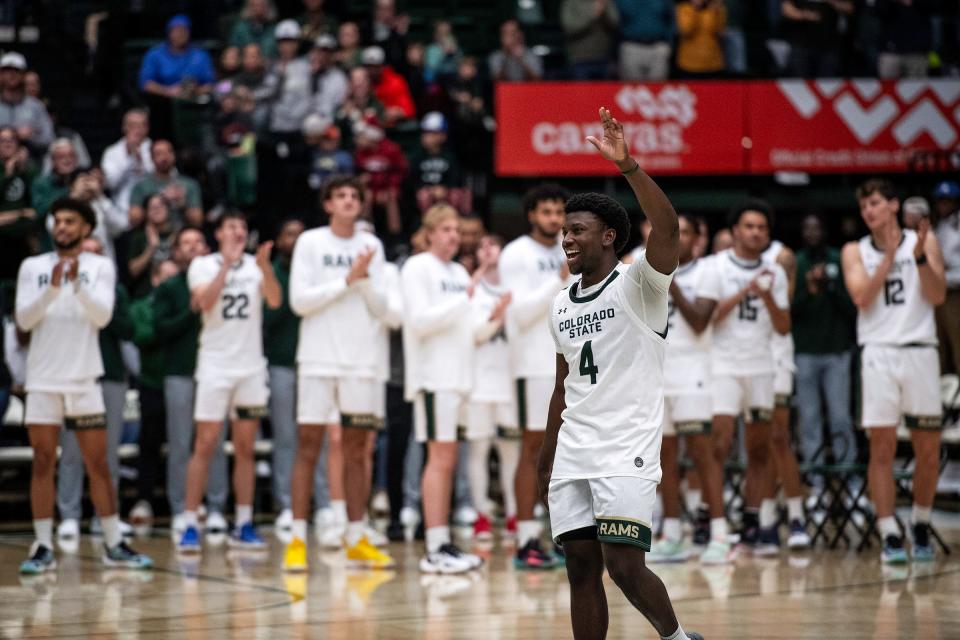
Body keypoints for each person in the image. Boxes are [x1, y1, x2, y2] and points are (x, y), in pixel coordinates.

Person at [537, 106, 702, 640]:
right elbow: (563, 385)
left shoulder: (640, 287)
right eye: (564, 231)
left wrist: (629, 166)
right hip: (575, 449)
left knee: (624, 567)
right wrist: (547, 452)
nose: (567, 239)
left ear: (609, 237)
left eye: (578, 230)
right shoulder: (561, 302)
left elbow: (670, 226)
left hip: (625, 448)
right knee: (580, 570)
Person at [15, 197, 152, 574]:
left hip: (84, 378)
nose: (61, 227)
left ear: (86, 228)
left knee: (99, 465)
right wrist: (52, 288)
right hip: (42, 379)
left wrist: (75, 284)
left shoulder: (101, 267)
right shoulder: (33, 267)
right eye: (57, 221)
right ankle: (42, 545)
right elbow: (24, 321)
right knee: (43, 462)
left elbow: (104, 315)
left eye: (70, 221)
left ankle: (112, 543)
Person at [285, 177, 395, 571]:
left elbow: (385, 309)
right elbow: (299, 302)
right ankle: (297, 538)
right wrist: (347, 279)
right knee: (309, 447)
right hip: (317, 359)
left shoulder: (373, 246)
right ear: (328, 204)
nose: (349, 201)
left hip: (361, 361)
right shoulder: (311, 242)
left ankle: (355, 535)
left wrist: (362, 281)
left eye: (355, 196)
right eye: (341, 196)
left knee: (356, 453)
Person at [842, 178, 946, 563]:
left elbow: (936, 296)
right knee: (881, 448)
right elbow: (861, 297)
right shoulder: (854, 250)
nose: (868, 210)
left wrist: (918, 255)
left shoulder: (925, 242)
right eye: (864, 205)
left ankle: (919, 523)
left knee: (928, 450)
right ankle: (888, 531)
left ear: (893, 205)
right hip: (879, 353)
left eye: (875, 203)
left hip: (920, 350)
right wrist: (888, 256)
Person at [177, 212, 281, 553]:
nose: (239, 231)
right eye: (232, 227)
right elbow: (204, 303)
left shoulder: (256, 265)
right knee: (205, 445)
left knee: (246, 448)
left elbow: (276, 301)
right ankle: (191, 521)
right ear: (219, 233)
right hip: (215, 365)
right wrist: (226, 266)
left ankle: (244, 522)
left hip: (250, 367)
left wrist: (265, 268)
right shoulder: (202, 265)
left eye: (243, 227)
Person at [693, 201, 791, 555]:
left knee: (760, 448)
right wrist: (745, 291)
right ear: (735, 231)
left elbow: (783, 327)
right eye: (749, 226)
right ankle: (713, 519)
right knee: (717, 446)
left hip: (762, 366)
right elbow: (708, 318)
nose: (755, 233)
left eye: (762, 228)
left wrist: (765, 294)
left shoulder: (775, 273)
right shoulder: (713, 267)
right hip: (721, 366)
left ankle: (753, 520)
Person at [401, 203, 484, 573]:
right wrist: (464, 297)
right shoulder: (418, 267)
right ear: (430, 232)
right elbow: (419, 321)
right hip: (434, 379)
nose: (454, 235)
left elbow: (467, 329)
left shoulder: (456, 271)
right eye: (447, 228)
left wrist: (492, 319)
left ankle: (444, 541)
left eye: (457, 229)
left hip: (460, 379)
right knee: (439, 460)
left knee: (450, 462)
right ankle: (434, 547)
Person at [648, 214, 729, 565]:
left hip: (693, 373)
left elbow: (699, 321)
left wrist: (671, 282)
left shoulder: (708, 271)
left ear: (696, 239)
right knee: (664, 458)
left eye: (682, 233)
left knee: (702, 455)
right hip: (656, 374)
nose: (674, 239)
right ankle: (672, 533)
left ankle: (720, 534)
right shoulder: (645, 269)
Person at [500, 182, 570, 569]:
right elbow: (519, 313)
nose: (554, 219)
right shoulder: (517, 254)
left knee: (563, 455)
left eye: (559, 212)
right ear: (531, 214)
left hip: (567, 364)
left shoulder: (573, 247)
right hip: (531, 365)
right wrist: (556, 279)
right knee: (533, 451)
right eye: (546, 212)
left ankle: (558, 533)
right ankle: (525, 537)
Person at [55, 236, 134, 542]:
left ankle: (106, 517)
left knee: (107, 452)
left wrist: (100, 306)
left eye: (94, 253)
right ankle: (69, 516)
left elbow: (129, 330)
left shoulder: (116, 290)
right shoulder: (60, 286)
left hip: (110, 374)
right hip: (72, 374)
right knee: (71, 449)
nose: (87, 259)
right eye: (82, 253)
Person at [153, 227, 230, 537]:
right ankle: (180, 509)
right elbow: (161, 329)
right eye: (186, 243)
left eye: (199, 241)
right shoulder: (170, 287)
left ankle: (215, 509)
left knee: (215, 443)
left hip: (216, 371)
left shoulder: (225, 282)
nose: (194, 247)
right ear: (176, 252)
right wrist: (192, 310)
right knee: (181, 443)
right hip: (181, 372)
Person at [761, 216, 811, 551]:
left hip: (776, 356)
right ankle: (763, 519)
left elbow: (786, 304)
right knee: (755, 445)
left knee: (778, 439)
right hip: (741, 359)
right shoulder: (721, 260)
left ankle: (795, 515)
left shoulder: (783, 256)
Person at [792, 214, 857, 471]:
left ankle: (847, 478)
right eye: (806, 228)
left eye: (816, 227)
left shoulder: (838, 259)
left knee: (841, 417)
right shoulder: (797, 263)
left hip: (837, 351)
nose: (812, 233)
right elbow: (790, 310)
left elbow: (853, 308)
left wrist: (829, 286)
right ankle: (815, 479)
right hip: (805, 352)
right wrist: (809, 290)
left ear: (824, 231)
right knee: (809, 420)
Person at [464, 234, 517, 540]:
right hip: (479, 382)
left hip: (509, 382)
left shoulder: (516, 286)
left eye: (494, 244)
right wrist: (497, 318)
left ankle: (513, 514)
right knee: (479, 450)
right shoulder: (471, 288)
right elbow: (474, 334)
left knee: (511, 450)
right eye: (481, 245)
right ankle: (480, 514)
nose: (488, 249)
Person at [127, 258, 181, 525]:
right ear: (156, 280)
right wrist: (172, 327)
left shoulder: (186, 303)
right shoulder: (140, 307)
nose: (171, 283)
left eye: (176, 277)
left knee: (184, 445)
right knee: (149, 444)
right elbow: (143, 336)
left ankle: (185, 503)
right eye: (166, 277)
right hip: (152, 383)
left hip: (183, 381)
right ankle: (144, 499)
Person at [264, 218, 305, 532]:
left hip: (312, 363)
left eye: (301, 234)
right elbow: (269, 316)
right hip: (279, 362)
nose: (297, 239)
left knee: (316, 437)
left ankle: (319, 502)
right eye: (290, 233)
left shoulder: (313, 270)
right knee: (285, 436)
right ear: (279, 241)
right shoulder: (271, 272)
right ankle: (286, 503)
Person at [138, 15, 216, 140]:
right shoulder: (155, 54)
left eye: (184, 30)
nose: (180, 34)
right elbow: (146, 84)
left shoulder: (200, 55)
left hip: (194, 104)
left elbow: (211, 85)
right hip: (164, 105)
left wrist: (195, 91)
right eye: (176, 30)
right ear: (169, 33)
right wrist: (169, 91)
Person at [128, 140, 203, 228]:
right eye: (159, 153)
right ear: (151, 158)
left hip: (182, 235)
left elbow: (198, 221)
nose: (164, 157)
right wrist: (158, 202)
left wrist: (182, 204)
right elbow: (133, 220)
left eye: (168, 152)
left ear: (174, 155)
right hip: (152, 237)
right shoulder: (141, 187)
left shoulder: (189, 185)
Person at [408, 111, 469, 215]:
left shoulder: (450, 156)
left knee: (459, 194)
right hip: (425, 190)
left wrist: (445, 188)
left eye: (432, 133)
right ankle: (426, 224)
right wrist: (429, 188)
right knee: (423, 196)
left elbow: (455, 177)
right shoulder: (416, 156)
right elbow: (412, 179)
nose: (427, 136)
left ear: (443, 136)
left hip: (444, 190)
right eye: (425, 132)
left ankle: (456, 221)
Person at [0, 52, 54, 158]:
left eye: (16, 70)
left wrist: (32, 136)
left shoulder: (36, 106)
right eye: (7, 70)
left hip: (30, 166)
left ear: (24, 75)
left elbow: (49, 139)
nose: (12, 74)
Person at [101, 108, 154, 213]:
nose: (138, 129)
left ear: (148, 128)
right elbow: (110, 184)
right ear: (124, 127)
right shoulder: (112, 152)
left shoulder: (156, 148)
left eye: (142, 125)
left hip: (151, 209)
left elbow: (162, 177)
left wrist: (141, 160)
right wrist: (129, 157)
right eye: (133, 125)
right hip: (122, 210)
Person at [780, 0, 851, 78]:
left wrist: (833, 2)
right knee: (799, 80)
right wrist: (805, 15)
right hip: (801, 43)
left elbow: (849, 8)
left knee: (827, 81)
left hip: (829, 44)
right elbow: (786, 9)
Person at [932, 181, 960, 377]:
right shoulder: (936, 225)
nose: (944, 205)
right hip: (936, 294)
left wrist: (943, 270)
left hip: (955, 293)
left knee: (958, 344)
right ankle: (943, 397)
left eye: (948, 201)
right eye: (941, 201)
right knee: (937, 345)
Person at [615, 0, 674, 80]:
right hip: (631, 47)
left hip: (658, 48)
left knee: (657, 89)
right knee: (632, 89)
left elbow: (671, 20)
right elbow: (614, 20)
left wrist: (670, 44)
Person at [560, 0, 620, 80]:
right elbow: (569, 27)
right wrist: (593, 14)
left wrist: (605, 11)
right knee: (582, 92)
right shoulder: (571, 2)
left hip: (604, 58)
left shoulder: (605, 1)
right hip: (579, 60)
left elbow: (616, 24)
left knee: (605, 91)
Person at [362, 46, 415, 125]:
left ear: (382, 66)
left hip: (391, 127)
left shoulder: (395, 82)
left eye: (375, 67)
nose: (372, 71)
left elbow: (409, 110)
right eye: (368, 67)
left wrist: (397, 112)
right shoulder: (361, 81)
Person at [675, 0, 727, 78]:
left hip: (712, 63)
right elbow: (686, 31)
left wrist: (715, 12)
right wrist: (695, 9)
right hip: (689, 63)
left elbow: (719, 32)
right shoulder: (683, 9)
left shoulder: (716, 9)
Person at [309, 35, 349, 120]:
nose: (323, 55)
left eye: (327, 51)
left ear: (333, 54)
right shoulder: (306, 73)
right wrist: (313, 76)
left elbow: (340, 105)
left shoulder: (339, 78)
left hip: (330, 123)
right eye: (320, 51)